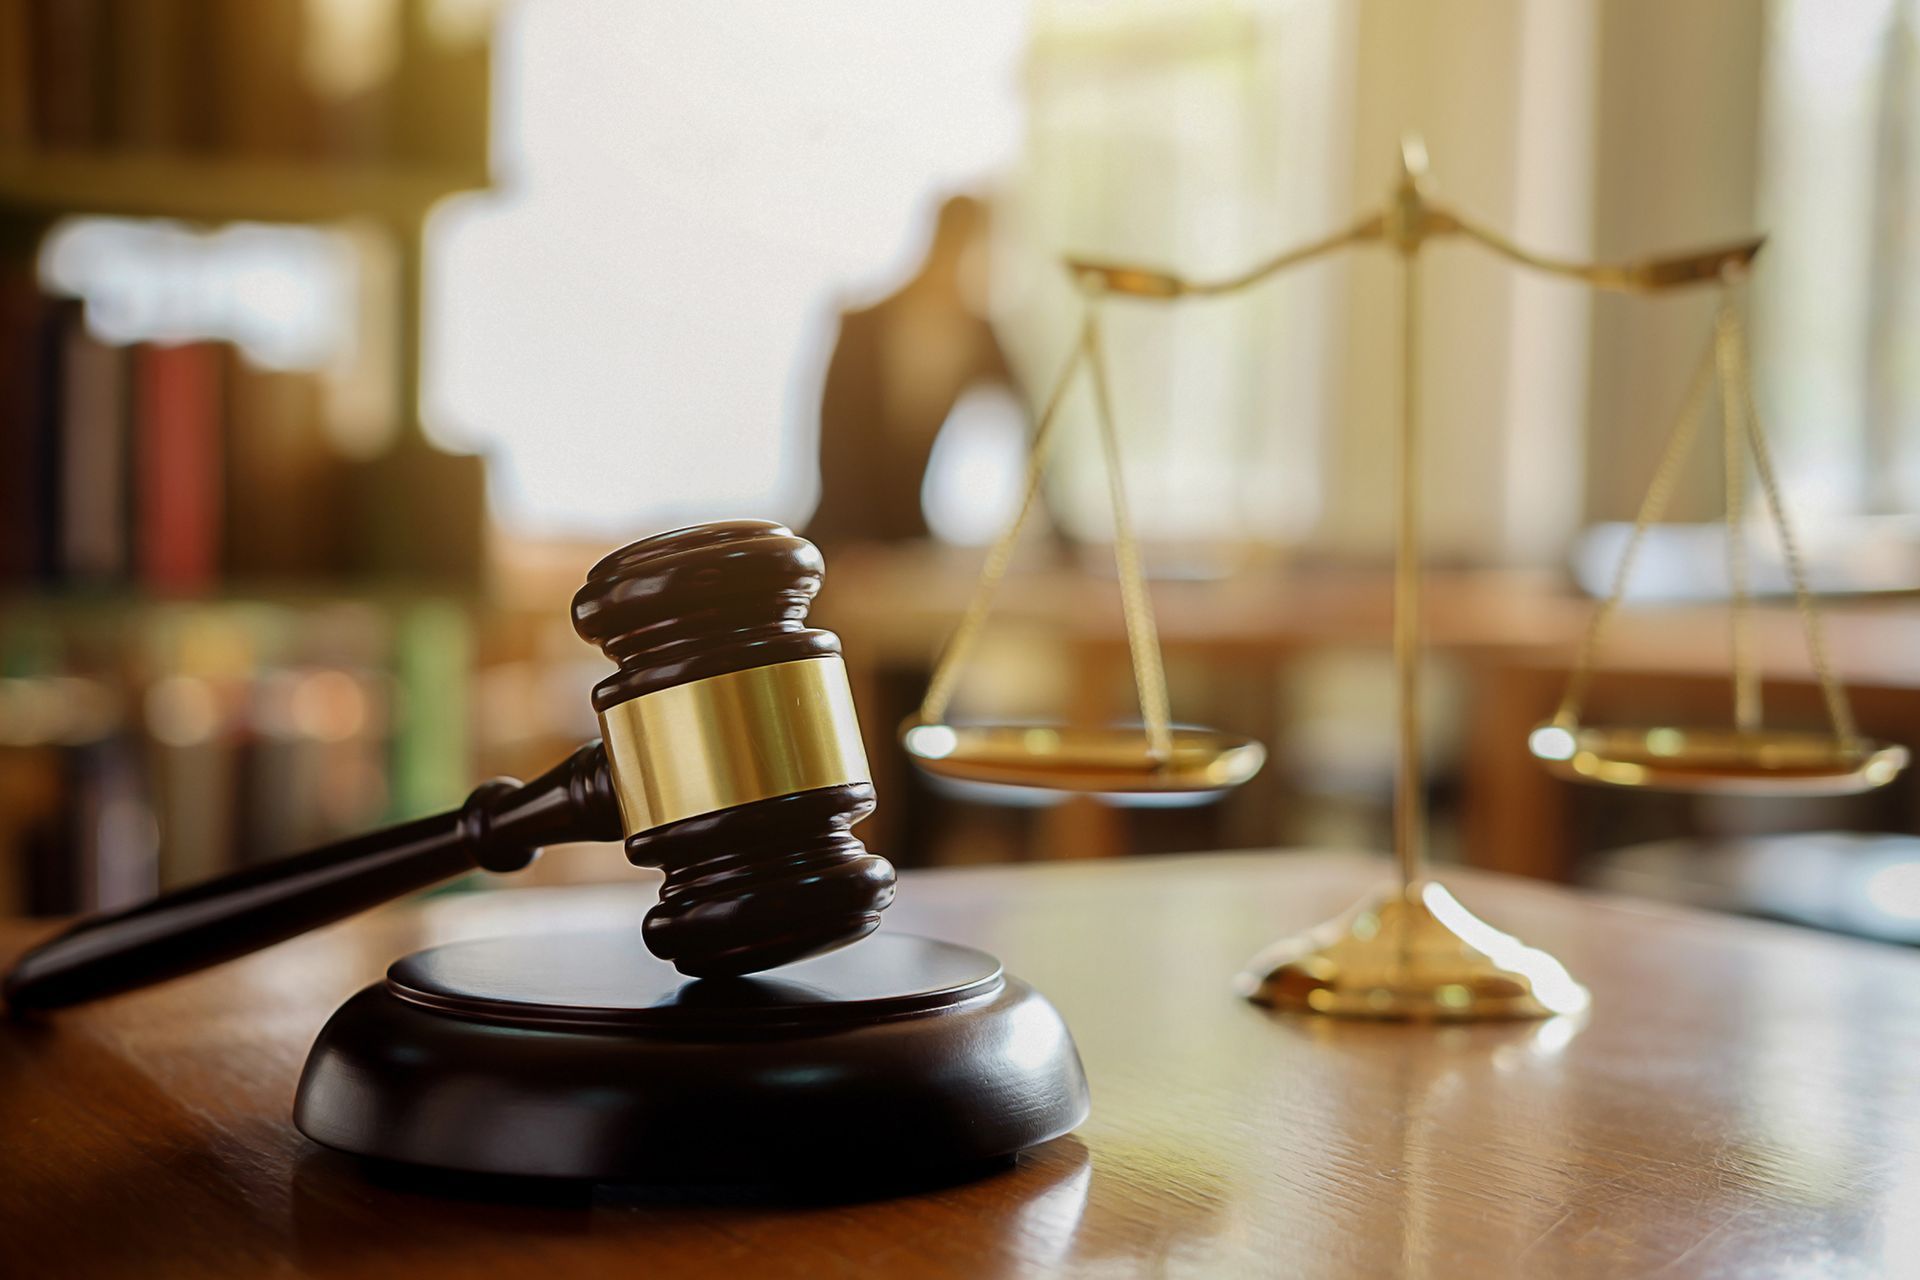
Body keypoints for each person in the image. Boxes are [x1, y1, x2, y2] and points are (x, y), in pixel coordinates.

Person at [806, 195, 1016, 547]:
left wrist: (1062, 539)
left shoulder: (980, 334)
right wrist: (853, 537)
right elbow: (836, 441)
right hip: (842, 537)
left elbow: (1040, 422)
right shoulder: (863, 326)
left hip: (909, 537)